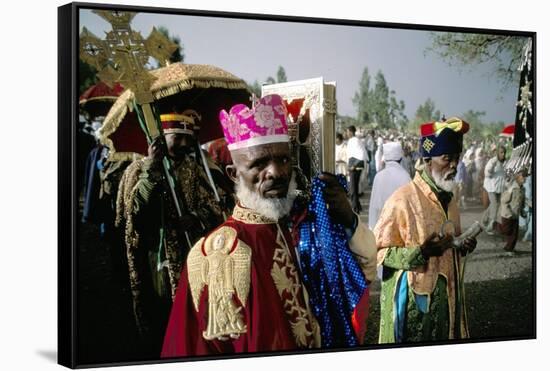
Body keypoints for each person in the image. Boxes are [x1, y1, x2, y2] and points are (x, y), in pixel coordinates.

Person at [161, 95, 377, 357]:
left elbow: (353, 278)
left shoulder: (290, 226)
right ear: (233, 174)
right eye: (259, 163)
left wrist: (347, 220)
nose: (276, 172)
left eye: (283, 159)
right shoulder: (218, 253)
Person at [116, 111, 230, 355]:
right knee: (158, 311)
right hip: (154, 257)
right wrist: (152, 173)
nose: (185, 144)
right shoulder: (137, 170)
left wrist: (196, 217)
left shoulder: (192, 169)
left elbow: (212, 206)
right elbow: (134, 214)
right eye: (178, 137)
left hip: (189, 253)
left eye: (188, 138)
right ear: (160, 139)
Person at [374, 117, 477, 343]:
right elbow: (379, 251)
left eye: (457, 159)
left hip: (447, 303)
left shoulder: (450, 201)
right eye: (447, 158)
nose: (453, 166)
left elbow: (453, 242)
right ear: (428, 159)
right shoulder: (402, 200)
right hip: (414, 307)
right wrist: (421, 252)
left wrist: (462, 245)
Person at [368, 142, 411, 230]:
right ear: (400, 158)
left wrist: (372, 229)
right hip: (401, 227)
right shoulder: (406, 176)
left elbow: (374, 207)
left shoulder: (379, 176)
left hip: (381, 227)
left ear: (385, 159)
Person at [498, 170, 527, 252]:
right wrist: (508, 212)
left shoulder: (523, 189)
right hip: (507, 214)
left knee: (514, 234)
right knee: (506, 231)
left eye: (525, 177)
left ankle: (509, 249)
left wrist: (522, 212)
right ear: (517, 178)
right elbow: (503, 200)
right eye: (522, 177)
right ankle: (494, 225)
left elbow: (522, 201)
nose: (524, 179)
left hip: (516, 215)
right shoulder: (512, 188)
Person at [482, 145, 507, 234]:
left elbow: (506, 174)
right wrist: (491, 169)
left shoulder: (505, 162)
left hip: (500, 188)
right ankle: (490, 225)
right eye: (501, 152)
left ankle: (484, 219)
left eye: (504, 152)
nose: (503, 154)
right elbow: (487, 174)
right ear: (497, 153)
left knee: (495, 205)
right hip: (491, 187)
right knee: (494, 204)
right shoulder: (492, 161)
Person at [345, 125, 367, 213]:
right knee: (354, 188)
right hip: (352, 166)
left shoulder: (356, 141)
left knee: (353, 189)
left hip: (355, 167)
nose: (346, 133)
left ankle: (355, 209)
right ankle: (357, 205)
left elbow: (362, 154)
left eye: (347, 131)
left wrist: (354, 165)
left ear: (350, 132)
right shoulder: (351, 141)